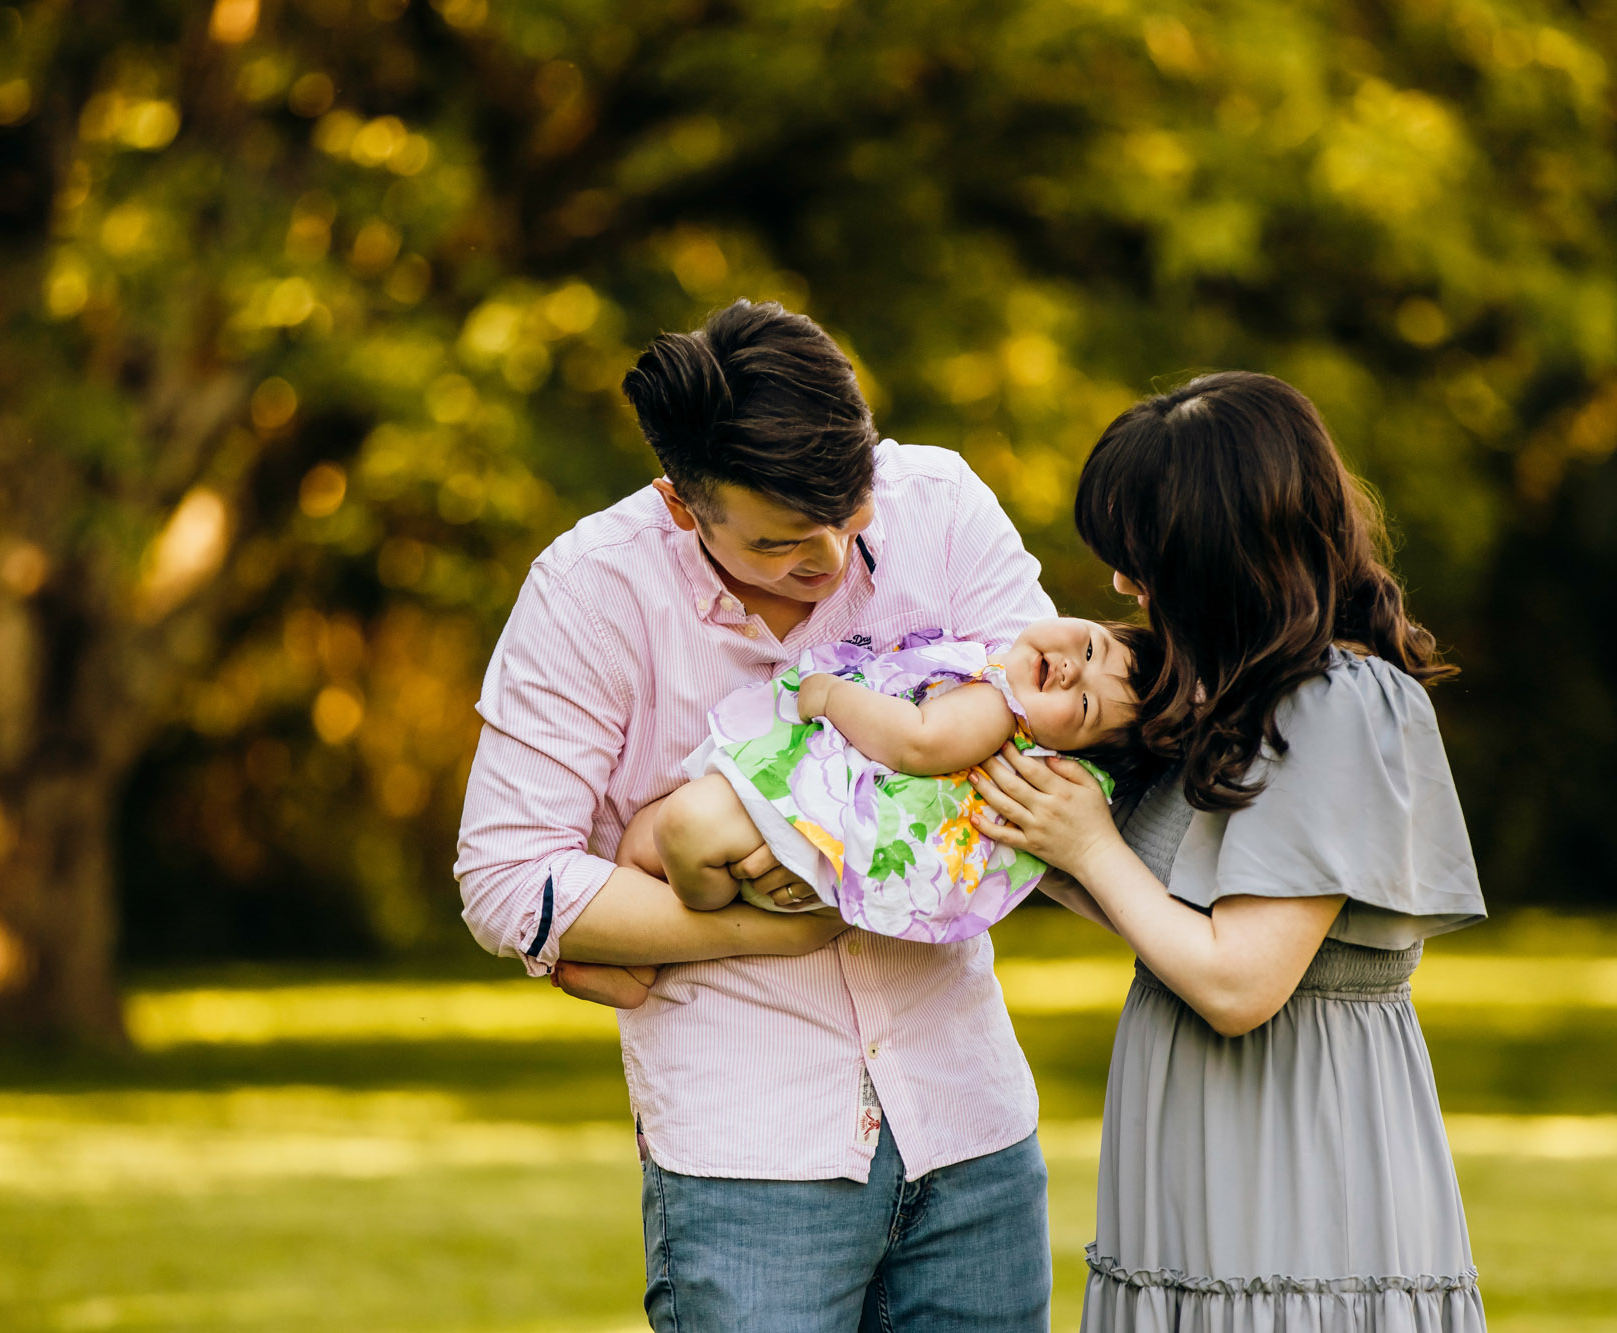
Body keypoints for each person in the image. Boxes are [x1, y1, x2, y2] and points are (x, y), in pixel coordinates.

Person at [454, 299, 1057, 1331]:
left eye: (850, 513)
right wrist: (762, 925)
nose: (826, 557)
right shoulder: (590, 593)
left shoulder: (941, 505)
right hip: (747, 1155)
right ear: (682, 504)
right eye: (781, 542)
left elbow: (1052, 728)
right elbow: (510, 878)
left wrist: (707, 841)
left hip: (969, 1124)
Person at [969, 372, 1490, 1331]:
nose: (1126, 583)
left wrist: (1086, 843)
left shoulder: (1332, 704)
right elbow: (1165, 904)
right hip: (1199, 1139)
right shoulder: (1223, 689)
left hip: (1296, 1142)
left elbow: (1241, 983)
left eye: (1145, 556)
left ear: (1221, 553)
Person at [625, 616, 1140, 943]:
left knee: (681, 825)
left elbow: (918, 741)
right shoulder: (993, 667)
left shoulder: (997, 711)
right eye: (1093, 649)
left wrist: (831, 697)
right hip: (806, 784)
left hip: (817, 810)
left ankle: (712, 912)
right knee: (645, 839)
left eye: (1087, 705)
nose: (1075, 670)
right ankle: (630, 942)